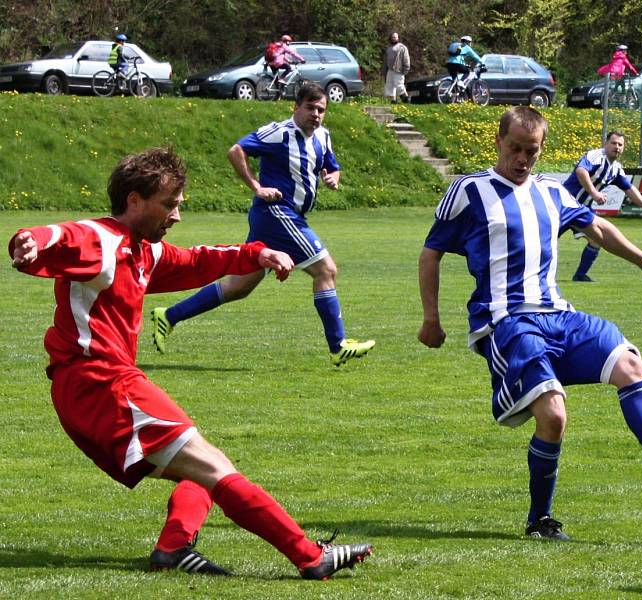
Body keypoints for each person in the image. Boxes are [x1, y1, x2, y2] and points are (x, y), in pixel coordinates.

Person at [7, 147, 373, 578]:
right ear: (134, 201)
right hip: (101, 383)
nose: (177, 216)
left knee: (201, 472)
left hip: (96, 388)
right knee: (216, 468)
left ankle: (173, 548)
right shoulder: (101, 238)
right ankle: (311, 558)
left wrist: (256, 254)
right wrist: (28, 242)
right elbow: (57, 237)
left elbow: (198, 259)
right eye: (169, 204)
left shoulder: (142, 251)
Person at [417, 106, 642, 541]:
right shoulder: (468, 191)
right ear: (498, 141)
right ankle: (540, 520)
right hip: (506, 322)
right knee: (553, 415)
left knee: (630, 364)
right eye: (514, 148)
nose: (522, 159)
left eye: (531, 151)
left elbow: (597, 229)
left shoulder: (552, 192)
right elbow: (431, 252)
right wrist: (431, 318)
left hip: (559, 315)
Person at [151, 84, 375, 366]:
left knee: (239, 286)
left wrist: (334, 177)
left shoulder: (323, 136)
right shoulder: (278, 132)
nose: (316, 115)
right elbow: (236, 151)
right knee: (326, 270)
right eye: (310, 108)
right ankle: (338, 345)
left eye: (321, 110)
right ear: (296, 107)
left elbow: (332, 165)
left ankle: (169, 316)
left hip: (285, 217)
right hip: (277, 214)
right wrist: (256, 186)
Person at [562, 131, 642, 282]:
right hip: (564, 205)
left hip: (582, 210)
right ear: (606, 144)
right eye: (613, 143)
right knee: (545, 239)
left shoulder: (616, 169)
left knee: (597, 240)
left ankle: (580, 276)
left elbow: (629, 188)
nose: (617, 147)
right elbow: (581, 171)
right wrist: (594, 193)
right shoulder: (595, 156)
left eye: (620, 145)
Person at [382, 32, 411, 103]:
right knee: (389, 86)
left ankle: (406, 99)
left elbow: (406, 59)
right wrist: (384, 70)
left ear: (398, 38)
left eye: (395, 37)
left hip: (398, 69)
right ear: (390, 39)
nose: (394, 39)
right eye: (392, 37)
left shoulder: (402, 47)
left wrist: (406, 69)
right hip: (390, 70)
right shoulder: (388, 49)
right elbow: (385, 61)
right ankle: (393, 100)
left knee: (399, 85)